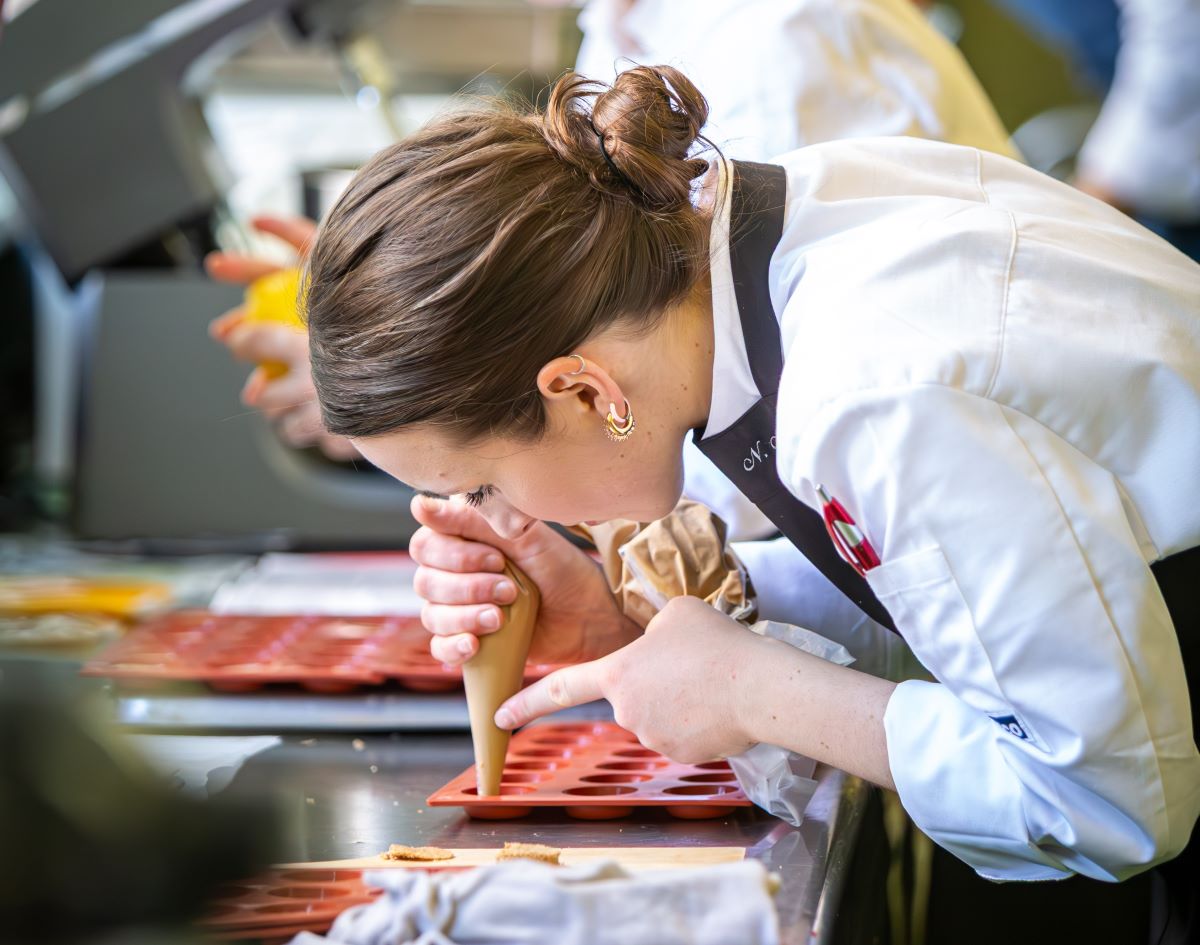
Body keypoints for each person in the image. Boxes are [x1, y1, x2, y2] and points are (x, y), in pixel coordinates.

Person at [299, 67, 1199, 939]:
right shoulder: (767, 249)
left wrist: (761, 694)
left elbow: (1111, 800)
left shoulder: (869, 391)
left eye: (482, 485)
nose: (496, 509)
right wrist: (627, 615)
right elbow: (973, 587)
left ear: (581, 390)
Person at [207, 0, 1018, 550]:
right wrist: (410, 316)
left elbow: (733, 420)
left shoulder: (782, 42)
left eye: (482, 486)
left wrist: (438, 379)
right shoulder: (629, 23)